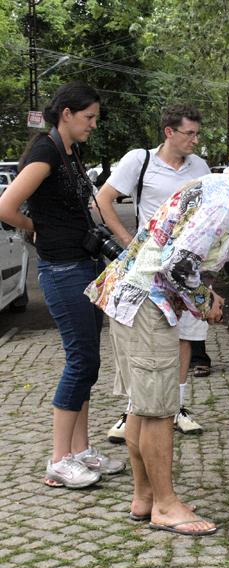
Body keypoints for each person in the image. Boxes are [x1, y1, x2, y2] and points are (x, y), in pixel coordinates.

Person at [85, 139, 229, 535]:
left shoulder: (215, 184)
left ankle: (145, 497)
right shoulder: (224, 204)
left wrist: (203, 294)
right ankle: (165, 505)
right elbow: (178, 266)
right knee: (159, 411)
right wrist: (205, 302)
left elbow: (176, 253)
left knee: (142, 406)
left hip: (131, 294)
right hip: (147, 304)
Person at [0, 81, 125, 488]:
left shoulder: (72, 151)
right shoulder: (45, 151)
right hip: (61, 270)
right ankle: (58, 460)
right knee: (80, 361)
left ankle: (81, 451)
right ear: (66, 115)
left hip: (84, 266)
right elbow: (6, 206)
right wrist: (38, 228)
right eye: (89, 118)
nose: (93, 125)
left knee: (90, 361)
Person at [95, 105, 211, 441]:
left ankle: (176, 408)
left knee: (186, 334)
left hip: (187, 265)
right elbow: (104, 199)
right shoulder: (139, 160)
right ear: (169, 132)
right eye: (189, 133)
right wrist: (129, 242)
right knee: (142, 340)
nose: (195, 139)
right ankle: (133, 410)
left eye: (197, 133)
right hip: (149, 270)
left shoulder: (199, 166)